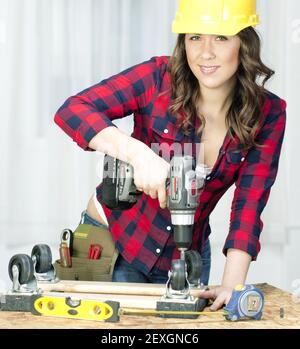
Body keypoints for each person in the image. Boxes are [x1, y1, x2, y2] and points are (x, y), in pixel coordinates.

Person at [54, 0, 286, 311]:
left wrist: (233, 286)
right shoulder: (157, 78)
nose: (205, 52)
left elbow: (249, 204)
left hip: (186, 258)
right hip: (114, 246)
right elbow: (73, 110)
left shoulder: (267, 113)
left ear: (244, 43)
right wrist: (138, 155)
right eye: (194, 37)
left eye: (220, 37)